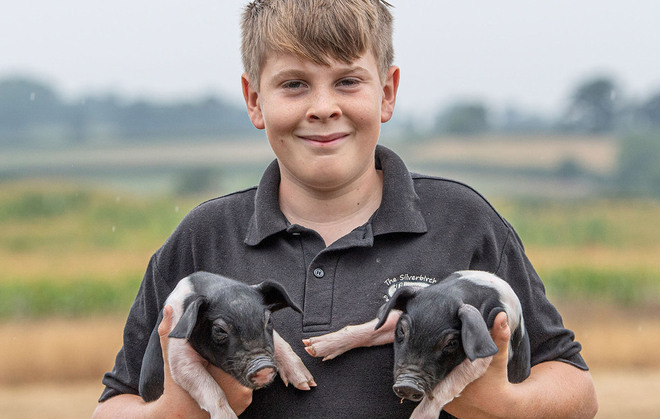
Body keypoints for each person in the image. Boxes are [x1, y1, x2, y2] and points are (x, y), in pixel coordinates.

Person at [94, 0, 598, 417]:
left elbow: (576, 390)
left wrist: (504, 404)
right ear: (253, 100)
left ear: (388, 92)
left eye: (348, 82)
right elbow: (114, 404)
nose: (322, 107)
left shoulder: (463, 222)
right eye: (294, 84)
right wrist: (176, 412)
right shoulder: (204, 238)